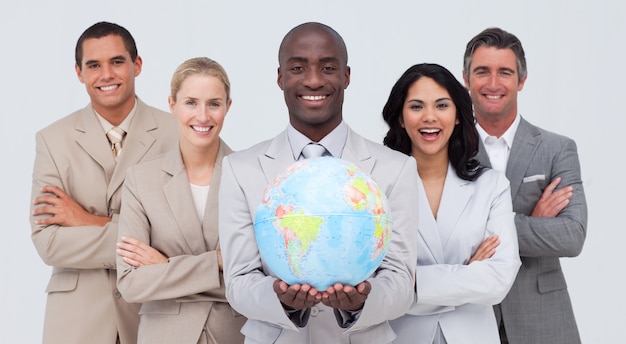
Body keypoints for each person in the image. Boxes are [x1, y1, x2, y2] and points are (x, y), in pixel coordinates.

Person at [217, 22, 419, 343]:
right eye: (298, 68)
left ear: (346, 76)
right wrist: (280, 299)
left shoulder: (396, 169)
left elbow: (400, 282)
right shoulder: (240, 169)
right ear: (281, 77)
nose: (313, 80)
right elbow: (239, 282)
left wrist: (362, 301)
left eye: (327, 68)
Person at [29, 22, 178, 344]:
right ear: (79, 73)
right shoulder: (53, 140)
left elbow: (186, 235)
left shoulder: (177, 133)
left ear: (137, 65)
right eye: (94, 65)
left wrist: (86, 221)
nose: (106, 74)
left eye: (117, 62)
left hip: (155, 313)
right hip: (76, 321)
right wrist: (141, 239)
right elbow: (48, 243)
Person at [462, 27, 588, 344]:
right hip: (469, 318)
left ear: (521, 80)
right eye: (482, 72)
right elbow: (440, 237)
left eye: (504, 72)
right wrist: (533, 220)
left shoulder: (557, 149)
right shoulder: (448, 150)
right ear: (466, 79)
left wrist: (484, 225)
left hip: (543, 318)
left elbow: (572, 237)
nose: (493, 84)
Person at [382, 63, 521, 344]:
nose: (429, 117)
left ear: (457, 115)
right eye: (417, 107)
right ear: (400, 117)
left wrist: (413, 281)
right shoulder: (376, 189)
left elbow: (498, 280)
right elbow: (375, 286)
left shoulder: (491, 186)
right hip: (401, 336)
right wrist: (468, 273)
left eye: (442, 105)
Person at [116, 57, 246, 343]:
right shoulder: (141, 180)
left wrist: (166, 268)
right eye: (191, 102)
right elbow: (131, 283)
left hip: (233, 336)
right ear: (172, 105)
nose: (203, 116)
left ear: (228, 107)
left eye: (214, 103)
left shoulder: (251, 175)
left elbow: (257, 283)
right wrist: (217, 263)